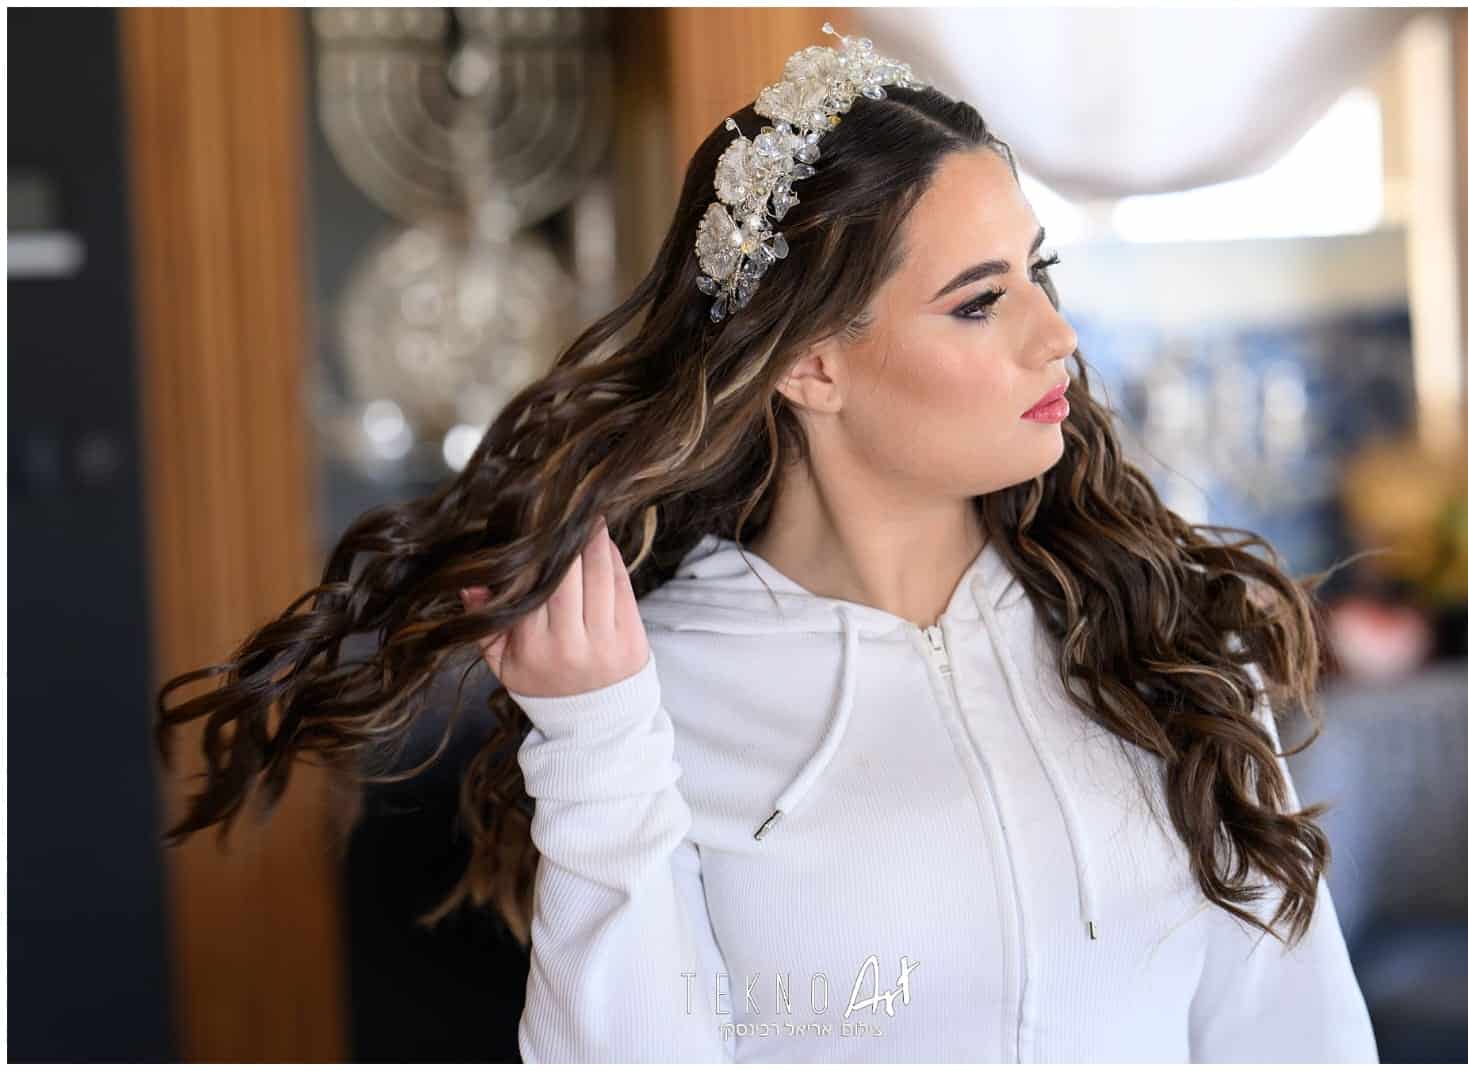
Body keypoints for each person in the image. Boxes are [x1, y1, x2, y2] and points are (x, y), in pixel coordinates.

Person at [154, 23, 1378, 1064]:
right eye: (978, 300)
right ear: (811, 364)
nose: (1055, 334)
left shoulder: (1162, 631)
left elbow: (1297, 1030)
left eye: (1035, 271)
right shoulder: (653, 694)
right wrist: (592, 742)